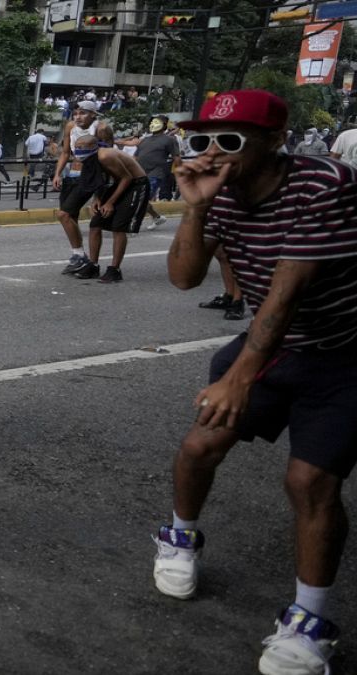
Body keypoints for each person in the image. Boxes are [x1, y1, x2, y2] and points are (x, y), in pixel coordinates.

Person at [154, 89, 357, 675]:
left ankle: (310, 621)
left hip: (343, 353)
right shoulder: (218, 195)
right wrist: (194, 207)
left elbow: (286, 295)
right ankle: (180, 536)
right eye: (204, 140)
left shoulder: (323, 186)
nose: (213, 152)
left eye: (232, 140)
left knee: (311, 480)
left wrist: (240, 379)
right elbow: (186, 278)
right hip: (275, 347)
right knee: (200, 446)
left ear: (274, 142)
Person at [66, 134, 149, 282]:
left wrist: (110, 202)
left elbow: (127, 178)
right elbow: (101, 179)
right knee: (95, 224)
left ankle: (114, 270)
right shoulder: (91, 158)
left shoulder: (105, 156)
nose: (78, 151)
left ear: (92, 146)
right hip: (119, 185)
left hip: (135, 184)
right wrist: (97, 198)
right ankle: (93, 265)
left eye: (81, 148)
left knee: (119, 227)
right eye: (76, 147)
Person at [53, 100, 109, 276]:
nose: (78, 117)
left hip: (91, 176)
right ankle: (78, 256)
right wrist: (58, 173)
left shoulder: (101, 129)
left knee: (64, 214)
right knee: (71, 218)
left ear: (93, 114)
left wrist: (99, 193)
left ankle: (80, 256)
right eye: (76, 113)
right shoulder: (70, 126)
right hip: (72, 175)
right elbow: (65, 153)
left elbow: (108, 158)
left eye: (83, 113)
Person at [118, 116, 180, 230]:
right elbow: (135, 157)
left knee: (141, 198)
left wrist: (181, 173)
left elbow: (177, 157)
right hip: (139, 173)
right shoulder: (144, 140)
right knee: (139, 198)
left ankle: (132, 224)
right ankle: (157, 217)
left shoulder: (170, 140)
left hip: (156, 173)